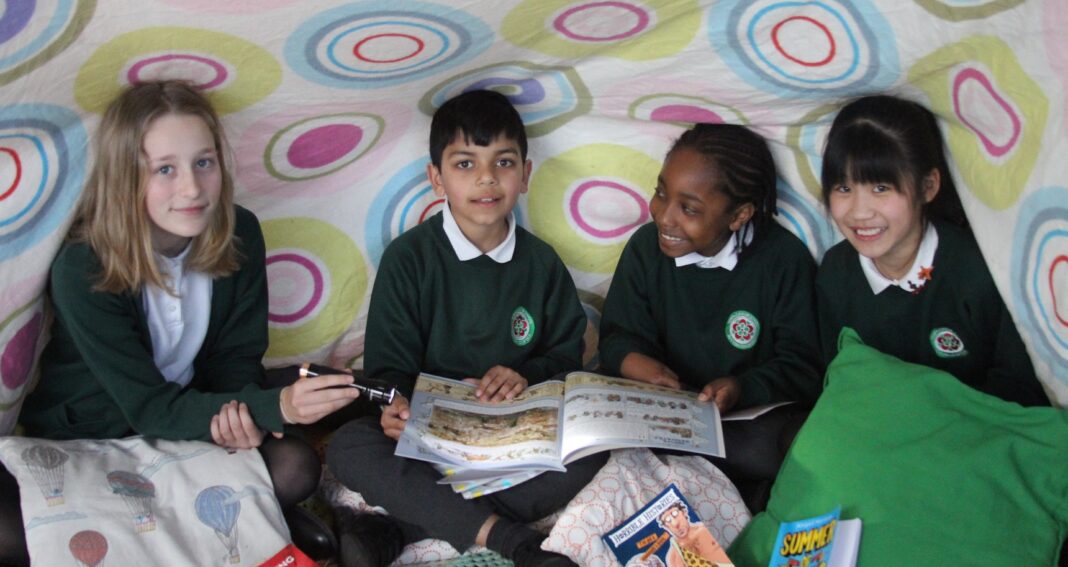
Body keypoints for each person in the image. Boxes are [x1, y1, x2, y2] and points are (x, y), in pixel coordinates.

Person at [0, 80, 361, 565]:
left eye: (203, 163)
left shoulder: (240, 233)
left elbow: (236, 357)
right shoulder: (84, 266)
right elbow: (148, 407)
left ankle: (239, 520)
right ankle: (252, 521)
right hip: (96, 435)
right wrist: (278, 407)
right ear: (127, 177)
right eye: (165, 170)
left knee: (295, 466)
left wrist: (240, 416)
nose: (191, 188)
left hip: (192, 419)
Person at [325, 90, 603, 567]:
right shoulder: (409, 259)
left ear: (526, 175)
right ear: (437, 178)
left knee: (592, 448)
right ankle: (513, 541)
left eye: (504, 162)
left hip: (512, 438)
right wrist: (396, 409)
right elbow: (387, 371)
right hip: (427, 440)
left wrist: (526, 375)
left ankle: (397, 527)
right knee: (350, 445)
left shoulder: (542, 264)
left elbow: (563, 358)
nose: (487, 179)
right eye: (465, 164)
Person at [598, 123, 822, 501]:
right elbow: (619, 337)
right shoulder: (645, 249)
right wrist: (644, 369)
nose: (665, 217)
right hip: (663, 420)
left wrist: (740, 388)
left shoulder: (783, 261)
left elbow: (804, 365)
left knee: (790, 447)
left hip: (745, 424)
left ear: (739, 216)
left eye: (689, 208)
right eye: (661, 194)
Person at [816, 94, 1049, 407]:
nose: (859, 212)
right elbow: (839, 381)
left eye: (880, 188)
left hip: (976, 432)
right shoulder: (835, 271)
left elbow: (1020, 388)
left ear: (928, 187)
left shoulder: (979, 269)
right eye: (844, 188)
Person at [656, 501, 732, 567]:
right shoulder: (674, 556)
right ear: (666, 527)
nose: (675, 523)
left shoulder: (705, 529)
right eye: (668, 520)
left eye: (675, 514)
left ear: (684, 512)